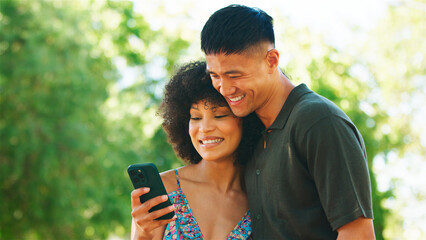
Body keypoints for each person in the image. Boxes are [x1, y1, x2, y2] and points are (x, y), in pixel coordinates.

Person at [201, 4, 375, 239]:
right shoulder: (252, 130)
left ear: (272, 60)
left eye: (235, 75)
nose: (225, 88)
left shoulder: (318, 121)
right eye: (215, 76)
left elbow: (358, 233)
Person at [130, 61, 262, 239]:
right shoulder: (164, 190)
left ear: (246, 119)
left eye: (220, 115)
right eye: (196, 117)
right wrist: (141, 233)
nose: (204, 128)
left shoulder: (261, 200)